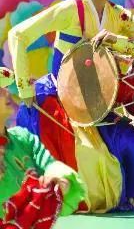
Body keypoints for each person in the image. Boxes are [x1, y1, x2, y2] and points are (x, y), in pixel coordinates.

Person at [7, 0, 134, 212]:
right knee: (90, 156)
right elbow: (18, 35)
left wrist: (117, 41)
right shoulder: (71, 10)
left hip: (100, 103)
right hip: (60, 99)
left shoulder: (119, 17)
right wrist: (24, 89)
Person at [0, 72, 86, 225]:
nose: (7, 92)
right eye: (0, 90)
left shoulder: (22, 138)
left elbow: (48, 163)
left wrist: (58, 177)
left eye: (5, 87)